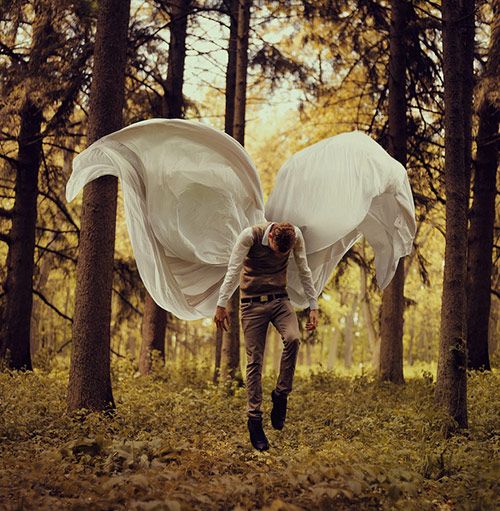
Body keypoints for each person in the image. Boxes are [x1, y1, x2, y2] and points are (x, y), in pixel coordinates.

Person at [214, 221, 318, 451]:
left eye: (284, 253)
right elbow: (233, 270)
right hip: (251, 305)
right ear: (271, 236)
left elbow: (304, 269)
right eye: (277, 251)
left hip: (280, 300)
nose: (280, 256)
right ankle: (255, 420)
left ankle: (281, 395)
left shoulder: (295, 236)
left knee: (293, 338)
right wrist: (221, 305)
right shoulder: (249, 237)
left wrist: (313, 305)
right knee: (254, 361)